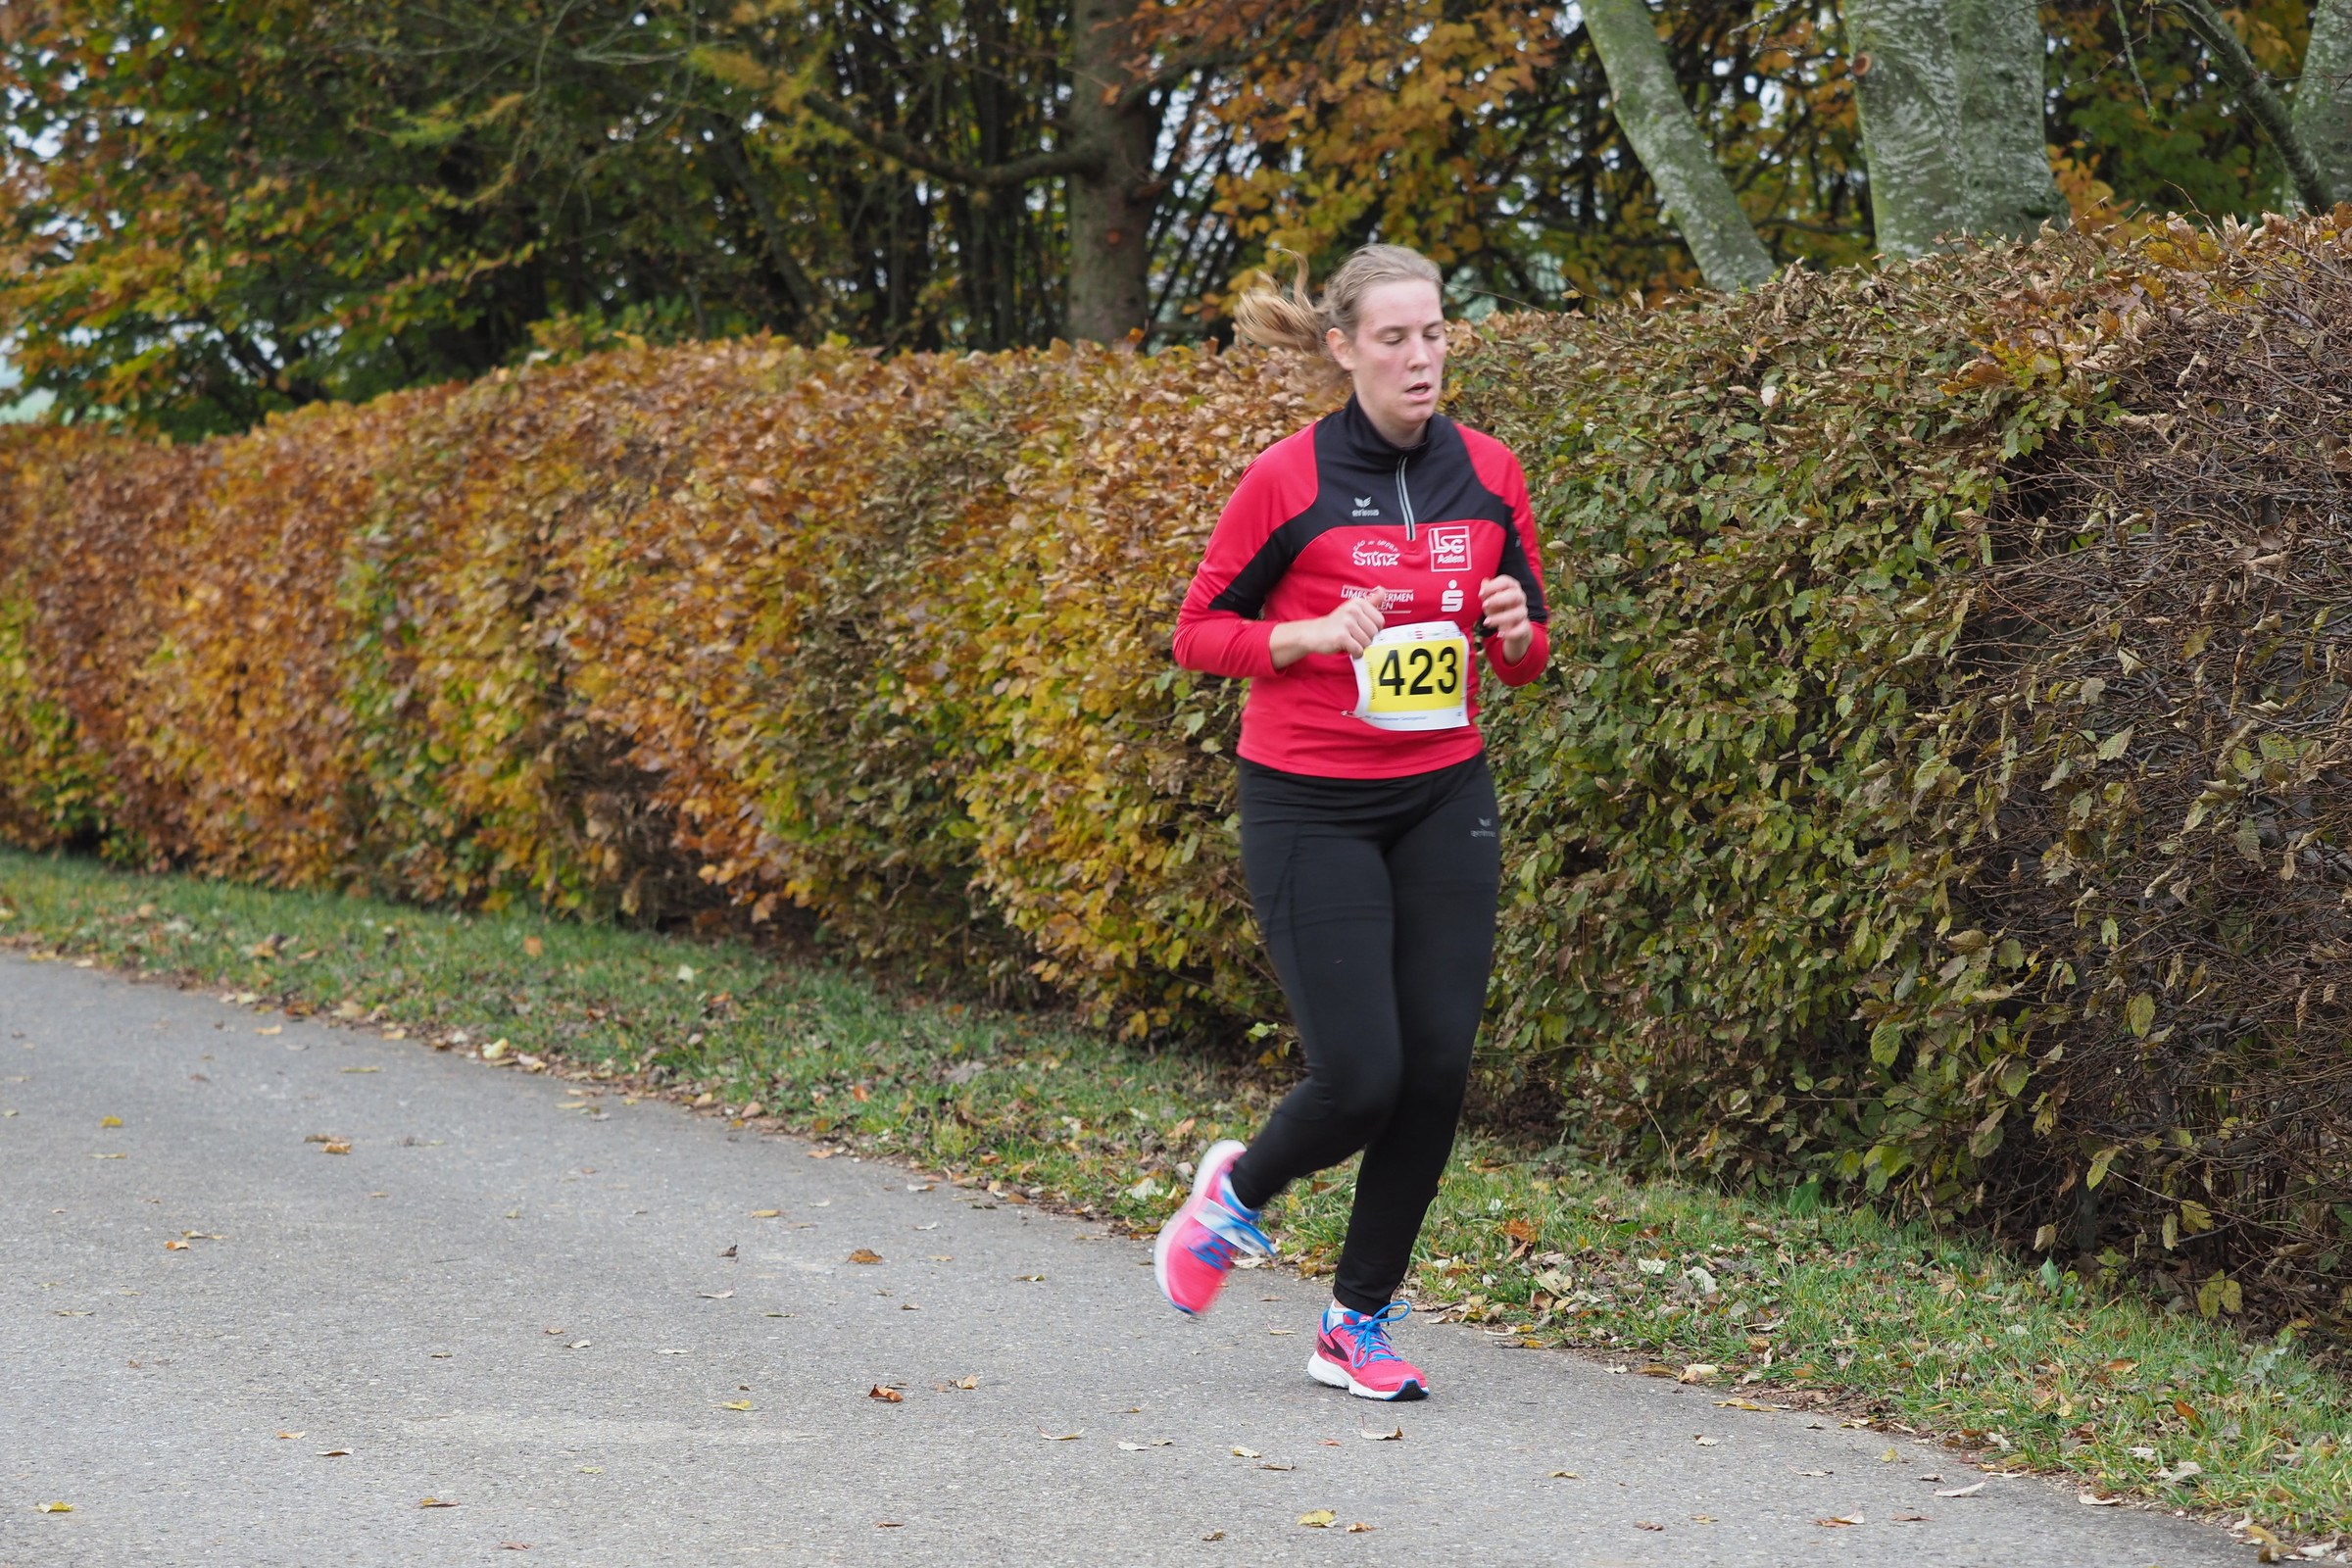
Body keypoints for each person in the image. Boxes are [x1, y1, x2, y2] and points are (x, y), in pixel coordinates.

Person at [1156, 244, 1550, 1401]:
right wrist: (1310, 636)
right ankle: (1232, 1197)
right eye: (1395, 338)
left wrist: (1515, 627)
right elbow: (1197, 634)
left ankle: (1355, 1324)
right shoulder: (1288, 479)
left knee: (1436, 1073)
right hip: (1309, 803)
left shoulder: (1490, 473)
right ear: (1343, 348)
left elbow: (1525, 655)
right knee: (1363, 1075)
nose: (1422, 357)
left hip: (1443, 793)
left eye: (1435, 333)